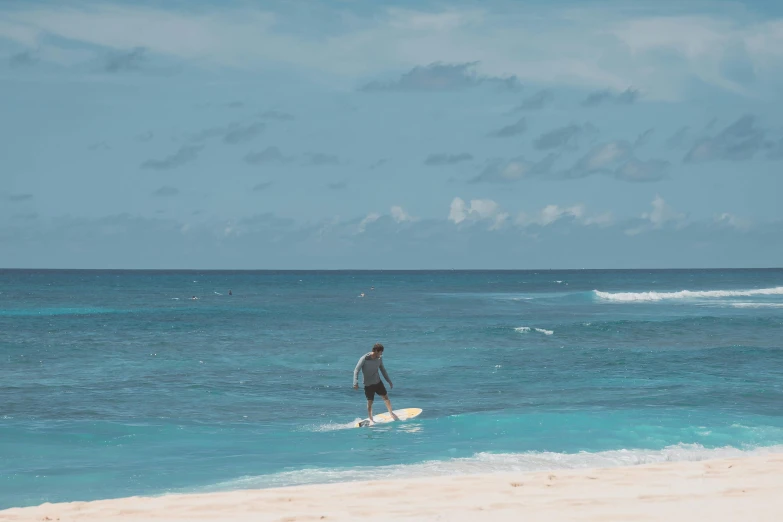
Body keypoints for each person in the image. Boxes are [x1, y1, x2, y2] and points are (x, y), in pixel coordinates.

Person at [353, 343, 398, 424]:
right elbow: (356, 370)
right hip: (368, 384)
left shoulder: (379, 358)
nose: (381, 354)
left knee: (386, 397)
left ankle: (391, 413)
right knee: (370, 402)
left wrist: (389, 381)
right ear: (376, 351)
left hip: (378, 382)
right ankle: (371, 419)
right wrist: (355, 383)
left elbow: (383, 370)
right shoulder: (364, 358)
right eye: (381, 352)